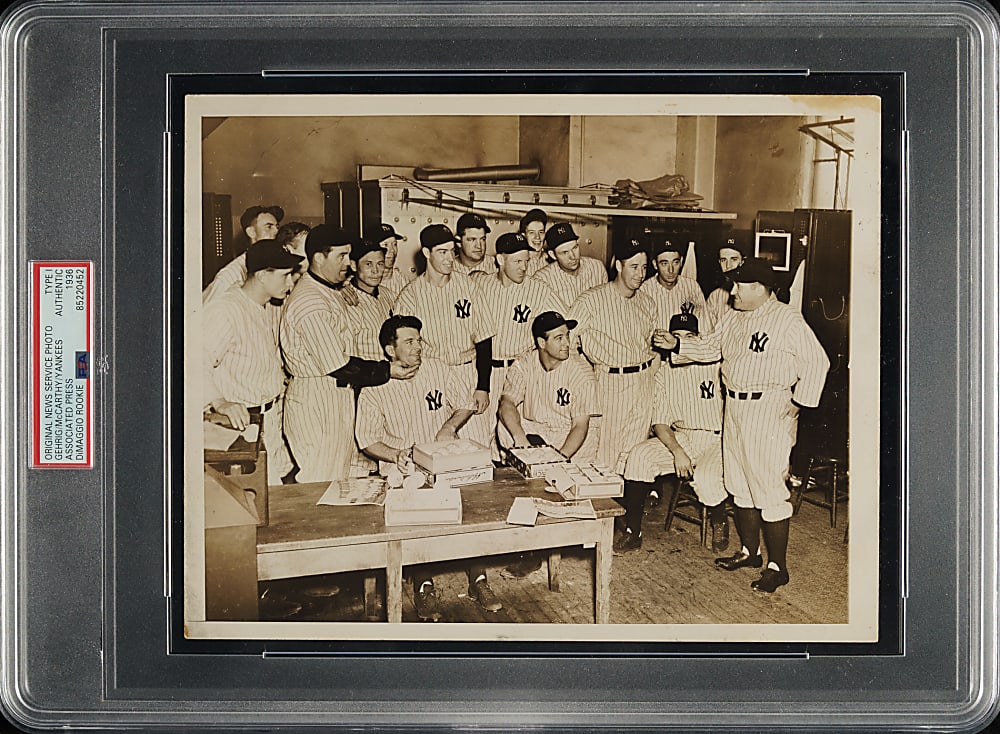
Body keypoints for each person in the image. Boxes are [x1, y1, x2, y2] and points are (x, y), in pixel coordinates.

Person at [656, 257, 830, 593]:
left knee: (768, 488)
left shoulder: (787, 319)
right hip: (733, 408)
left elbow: (818, 363)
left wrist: (796, 404)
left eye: (739, 285)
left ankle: (777, 567)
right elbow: (710, 347)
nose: (732, 291)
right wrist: (678, 343)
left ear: (761, 289)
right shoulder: (733, 317)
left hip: (767, 410)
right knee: (739, 485)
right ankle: (750, 552)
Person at [355, 315, 502, 618]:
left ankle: (478, 580)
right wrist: (394, 454)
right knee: (417, 515)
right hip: (405, 466)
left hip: (442, 458)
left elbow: (465, 403)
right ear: (389, 350)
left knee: (471, 508)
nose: (418, 347)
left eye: (419, 340)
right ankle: (424, 586)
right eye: (409, 342)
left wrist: (449, 426)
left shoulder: (436, 367)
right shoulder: (374, 385)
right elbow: (366, 439)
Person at [279, 224, 417, 482]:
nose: (348, 264)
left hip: (334, 395)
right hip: (318, 398)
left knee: (338, 477)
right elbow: (338, 365)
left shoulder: (328, 289)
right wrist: (389, 371)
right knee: (320, 481)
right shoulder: (311, 303)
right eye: (341, 257)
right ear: (318, 258)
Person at [618, 309, 727, 553]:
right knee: (639, 457)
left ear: (698, 339)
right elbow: (660, 423)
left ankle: (719, 518)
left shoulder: (714, 365)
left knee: (707, 481)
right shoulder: (665, 373)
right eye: (677, 336)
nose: (683, 342)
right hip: (684, 437)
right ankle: (632, 531)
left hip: (717, 438)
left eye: (689, 336)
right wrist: (677, 451)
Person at [202, 238, 301, 485]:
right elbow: (194, 362)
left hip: (269, 421)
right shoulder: (226, 309)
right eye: (285, 275)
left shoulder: (264, 305)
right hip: (239, 426)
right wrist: (220, 401)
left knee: (277, 497)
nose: (290, 283)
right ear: (262, 275)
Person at [392, 224, 496, 448]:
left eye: (452, 251)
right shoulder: (410, 296)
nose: (450, 258)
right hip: (429, 376)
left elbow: (484, 340)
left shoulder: (468, 286)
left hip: (467, 372)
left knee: (475, 447)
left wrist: (483, 386)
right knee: (433, 446)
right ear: (427, 253)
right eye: (442, 252)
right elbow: (404, 348)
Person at [567, 237, 657, 470]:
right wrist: (587, 376)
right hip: (611, 382)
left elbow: (649, 345)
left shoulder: (647, 302)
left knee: (636, 453)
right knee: (608, 453)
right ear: (619, 265)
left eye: (644, 268)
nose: (640, 274)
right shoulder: (591, 300)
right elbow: (567, 342)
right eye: (634, 267)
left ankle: (631, 504)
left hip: (643, 381)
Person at [472, 232, 565, 455]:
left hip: (522, 373)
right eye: (517, 261)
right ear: (500, 260)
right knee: (483, 441)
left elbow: (563, 324)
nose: (523, 267)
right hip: (488, 371)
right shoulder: (479, 285)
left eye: (526, 261)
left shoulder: (538, 289)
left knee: (520, 440)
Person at [203, 205, 284, 304]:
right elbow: (208, 311)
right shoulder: (231, 274)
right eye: (269, 227)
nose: (276, 231)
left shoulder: (272, 269)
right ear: (251, 232)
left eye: (277, 227)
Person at [531, 223, 608, 305]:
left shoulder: (597, 268)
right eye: (565, 252)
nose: (572, 256)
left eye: (575, 248)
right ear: (552, 255)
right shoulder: (542, 279)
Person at [346, 238, 392, 362]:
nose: (375, 270)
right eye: (368, 264)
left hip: (393, 374)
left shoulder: (388, 294)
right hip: (367, 376)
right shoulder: (346, 300)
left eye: (380, 264)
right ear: (354, 265)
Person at [705, 230, 749, 325]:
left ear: (742, 262)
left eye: (734, 259)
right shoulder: (715, 296)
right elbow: (706, 332)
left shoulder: (756, 292)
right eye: (723, 260)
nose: (728, 266)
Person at [365, 222, 414, 303]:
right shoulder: (360, 282)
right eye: (385, 245)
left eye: (394, 244)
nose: (392, 250)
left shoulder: (405, 283)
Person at [451, 212, 497, 277]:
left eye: (482, 239)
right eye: (472, 240)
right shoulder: (448, 267)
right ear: (458, 242)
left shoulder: (497, 266)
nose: (479, 246)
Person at [519, 208, 548, 276]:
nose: (537, 237)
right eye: (532, 232)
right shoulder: (518, 263)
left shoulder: (551, 260)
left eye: (541, 232)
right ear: (524, 236)